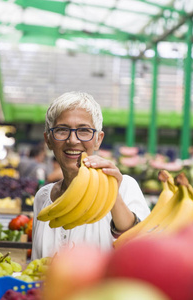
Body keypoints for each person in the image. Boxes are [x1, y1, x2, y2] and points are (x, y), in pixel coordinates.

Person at [32, 91, 151, 259]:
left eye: (84, 130)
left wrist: (113, 196)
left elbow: (144, 251)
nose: (73, 140)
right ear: (48, 139)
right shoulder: (42, 198)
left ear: (98, 139)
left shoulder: (124, 187)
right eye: (61, 130)